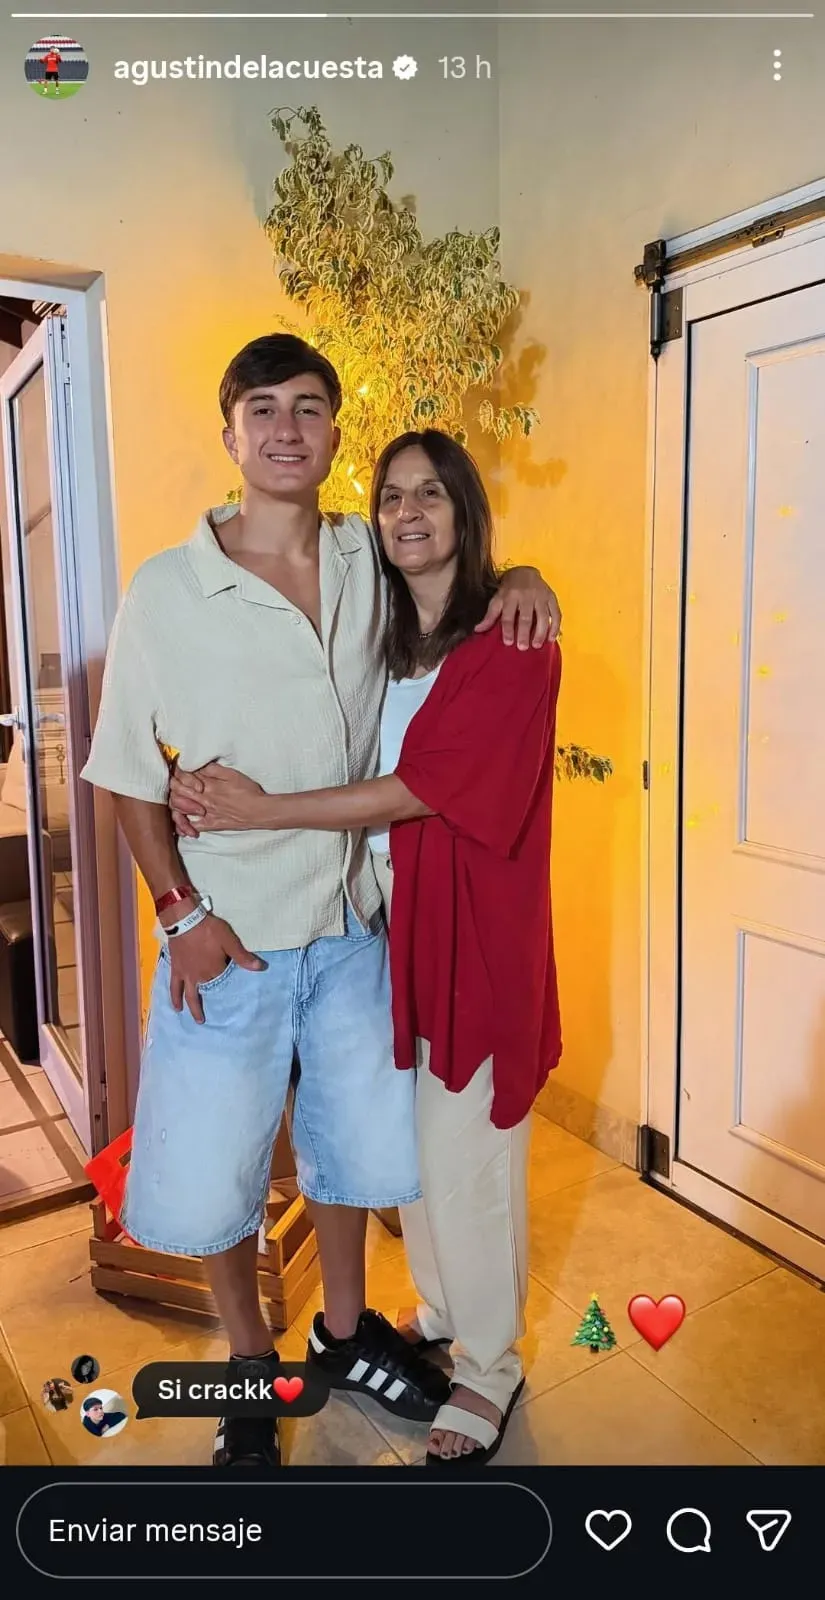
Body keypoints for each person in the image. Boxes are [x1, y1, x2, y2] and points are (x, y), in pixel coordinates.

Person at [81, 333, 562, 1471]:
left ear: (334, 433)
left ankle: (345, 1336)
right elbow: (125, 774)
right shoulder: (166, 588)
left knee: (350, 1155)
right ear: (230, 433)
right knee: (217, 1172)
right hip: (229, 939)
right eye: (262, 409)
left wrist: (527, 579)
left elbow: (459, 585)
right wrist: (178, 915)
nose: (286, 429)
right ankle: (251, 1370)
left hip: (356, 934)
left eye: (308, 407)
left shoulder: (363, 559)